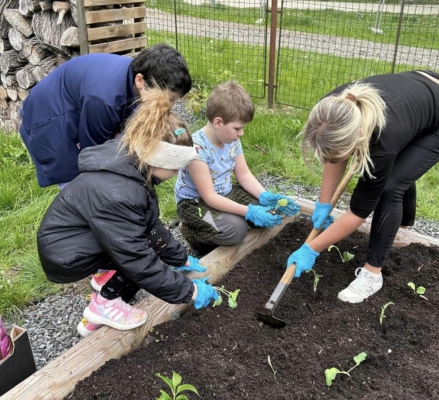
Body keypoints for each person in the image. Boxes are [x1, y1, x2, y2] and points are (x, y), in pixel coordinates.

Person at [37, 88, 219, 337]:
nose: (177, 173)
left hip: (79, 234)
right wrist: (190, 291)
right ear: (162, 160)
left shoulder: (132, 164)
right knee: (135, 256)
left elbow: (149, 225)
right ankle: (104, 304)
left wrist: (181, 259)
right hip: (64, 253)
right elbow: (137, 257)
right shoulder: (121, 193)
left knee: (139, 243)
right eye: (177, 168)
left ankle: (94, 313)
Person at [287, 70, 439, 303]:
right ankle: (401, 224)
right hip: (418, 96)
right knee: (398, 171)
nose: (327, 162)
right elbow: (335, 154)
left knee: (390, 187)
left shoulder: (383, 142)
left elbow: (358, 213)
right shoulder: (332, 110)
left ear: (360, 136)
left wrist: (311, 249)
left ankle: (372, 274)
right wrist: (323, 204)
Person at [19, 43, 192, 189]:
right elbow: (94, 154)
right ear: (140, 81)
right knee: (79, 181)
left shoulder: (135, 78)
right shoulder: (105, 100)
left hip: (76, 106)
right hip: (51, 119)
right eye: (168, 99)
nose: (170, 107)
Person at [174, 80, 300, 256]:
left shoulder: (232, 141)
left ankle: (225, 222)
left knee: (267, 212)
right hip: (196, 204)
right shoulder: (197, 149)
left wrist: (264, 196)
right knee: (237, 230)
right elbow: (209, 197)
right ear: (218, 122)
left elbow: (244, 174)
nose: (241, 133)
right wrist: (248, 211)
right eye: (237, 128)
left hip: (224, 193)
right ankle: (192, 233)